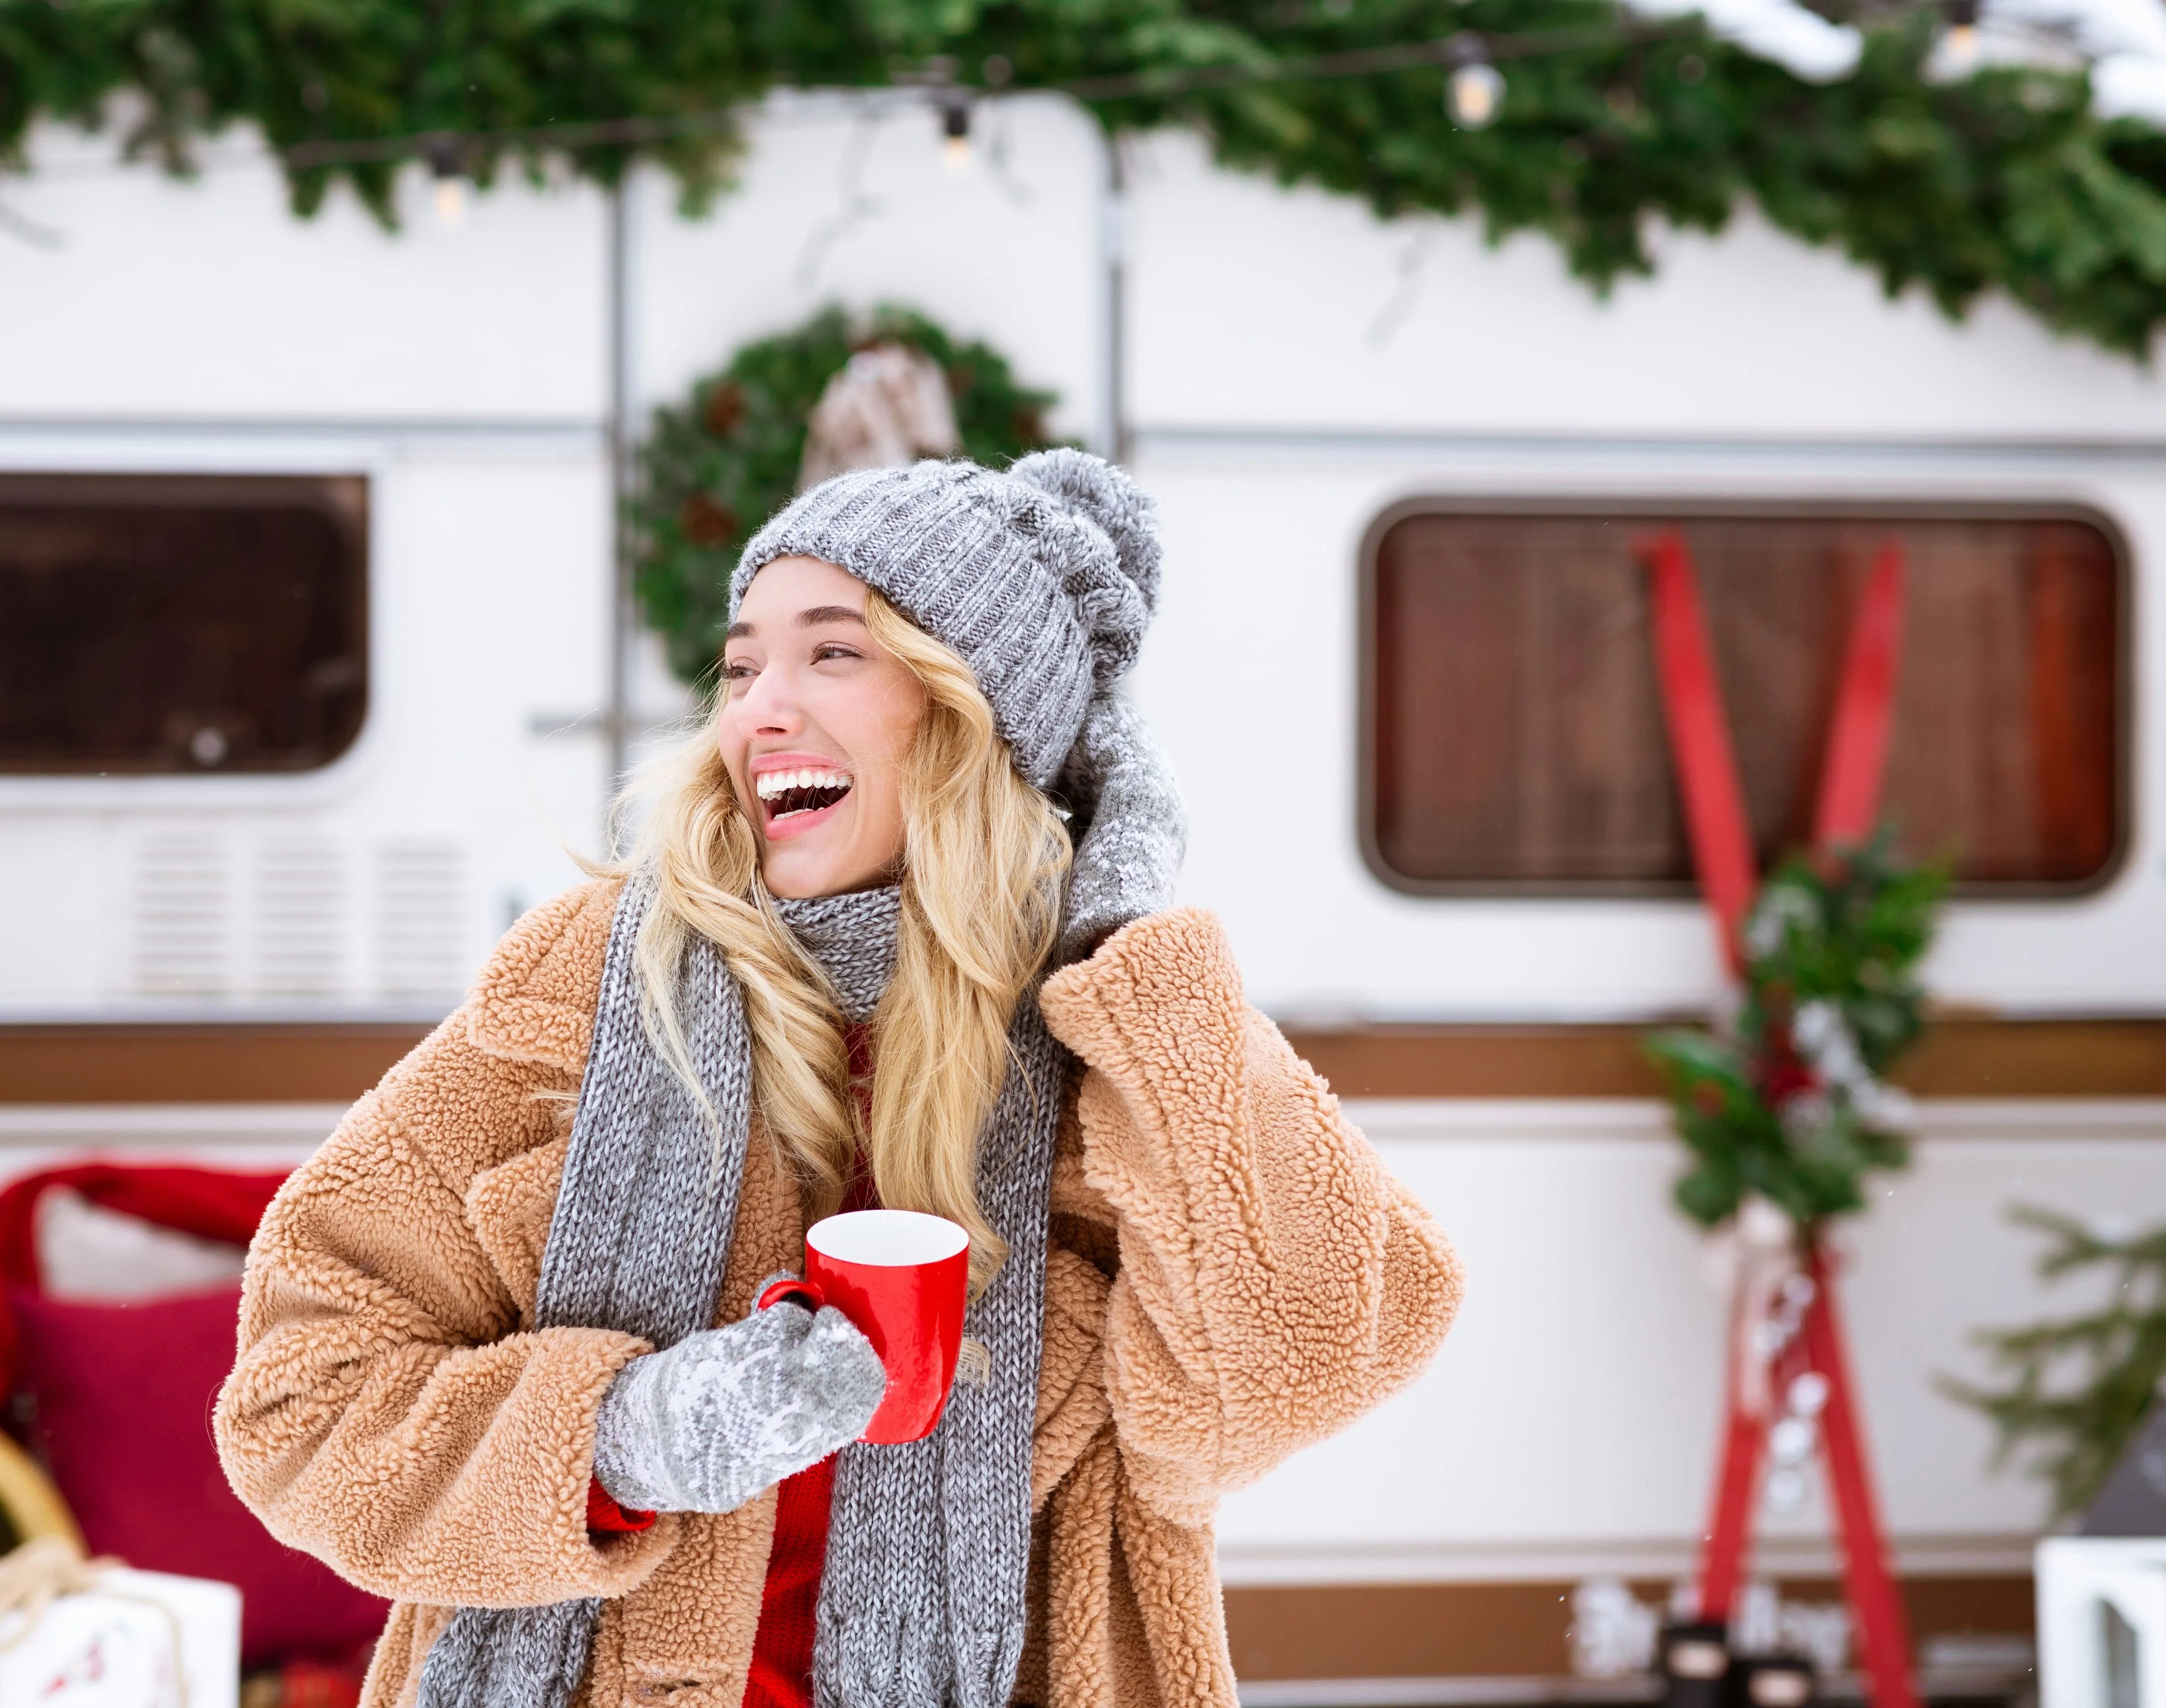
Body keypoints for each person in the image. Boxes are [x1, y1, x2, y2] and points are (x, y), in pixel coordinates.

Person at [214, 450, 1463, 1708]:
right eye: (744, 663)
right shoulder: (597, 980)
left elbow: (1310, 1353)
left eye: (834, 653)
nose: (760, 710)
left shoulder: (1108, 1034)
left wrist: (1134, 938)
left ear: (972, 712)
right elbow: (298, 1396)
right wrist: (633, 1439)